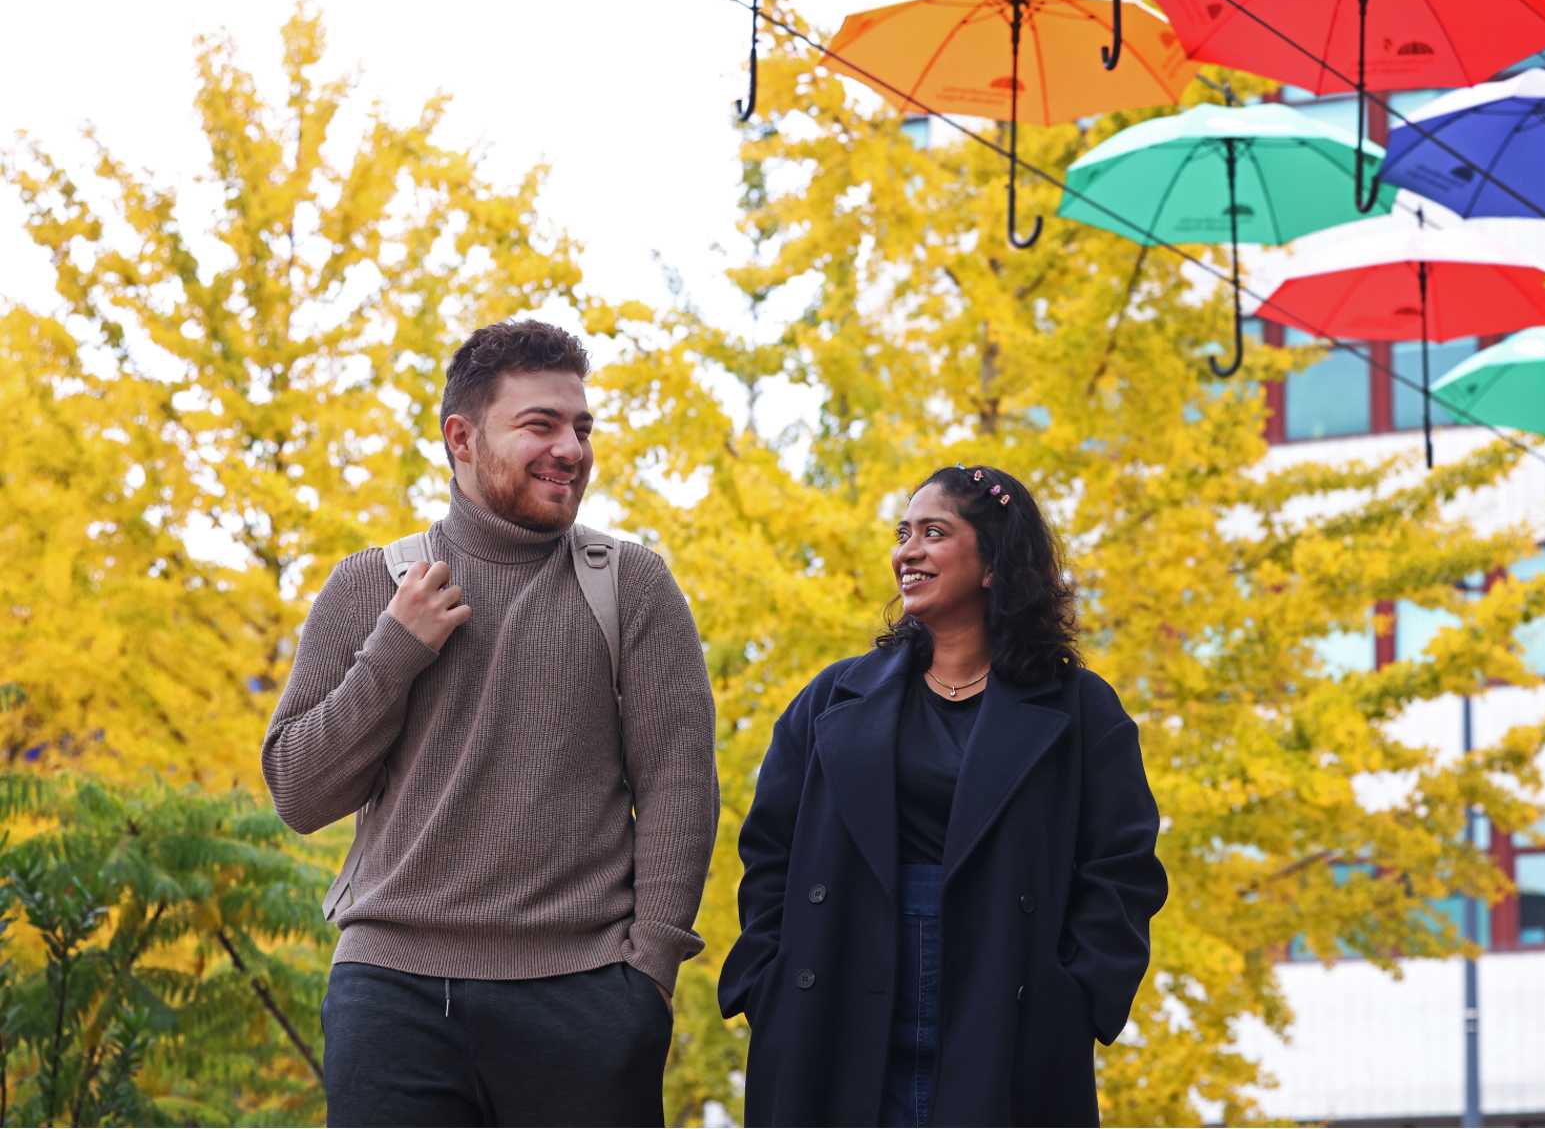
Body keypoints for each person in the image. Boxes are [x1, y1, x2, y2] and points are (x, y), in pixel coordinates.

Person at [262, 320, 719, 1127]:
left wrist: (648, 975)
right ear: (462, 439)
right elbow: (299, 793)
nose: (571, 449)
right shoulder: (371, 585)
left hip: (584, 996)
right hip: (391, 996)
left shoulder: (633, 586)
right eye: (540, 425)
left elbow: (680, 783)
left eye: (581, 427)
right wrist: (392, 655)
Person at [717, 464, 1167, 1127]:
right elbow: (769, 849)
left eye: (934, 532)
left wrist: (1074, 993)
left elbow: (1122, 865)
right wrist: (770, 979)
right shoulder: (833, 699)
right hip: (838, 990)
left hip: (1003, 998)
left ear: (993, 564)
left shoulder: (1079, 709)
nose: (908, 550)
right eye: (904, 533)